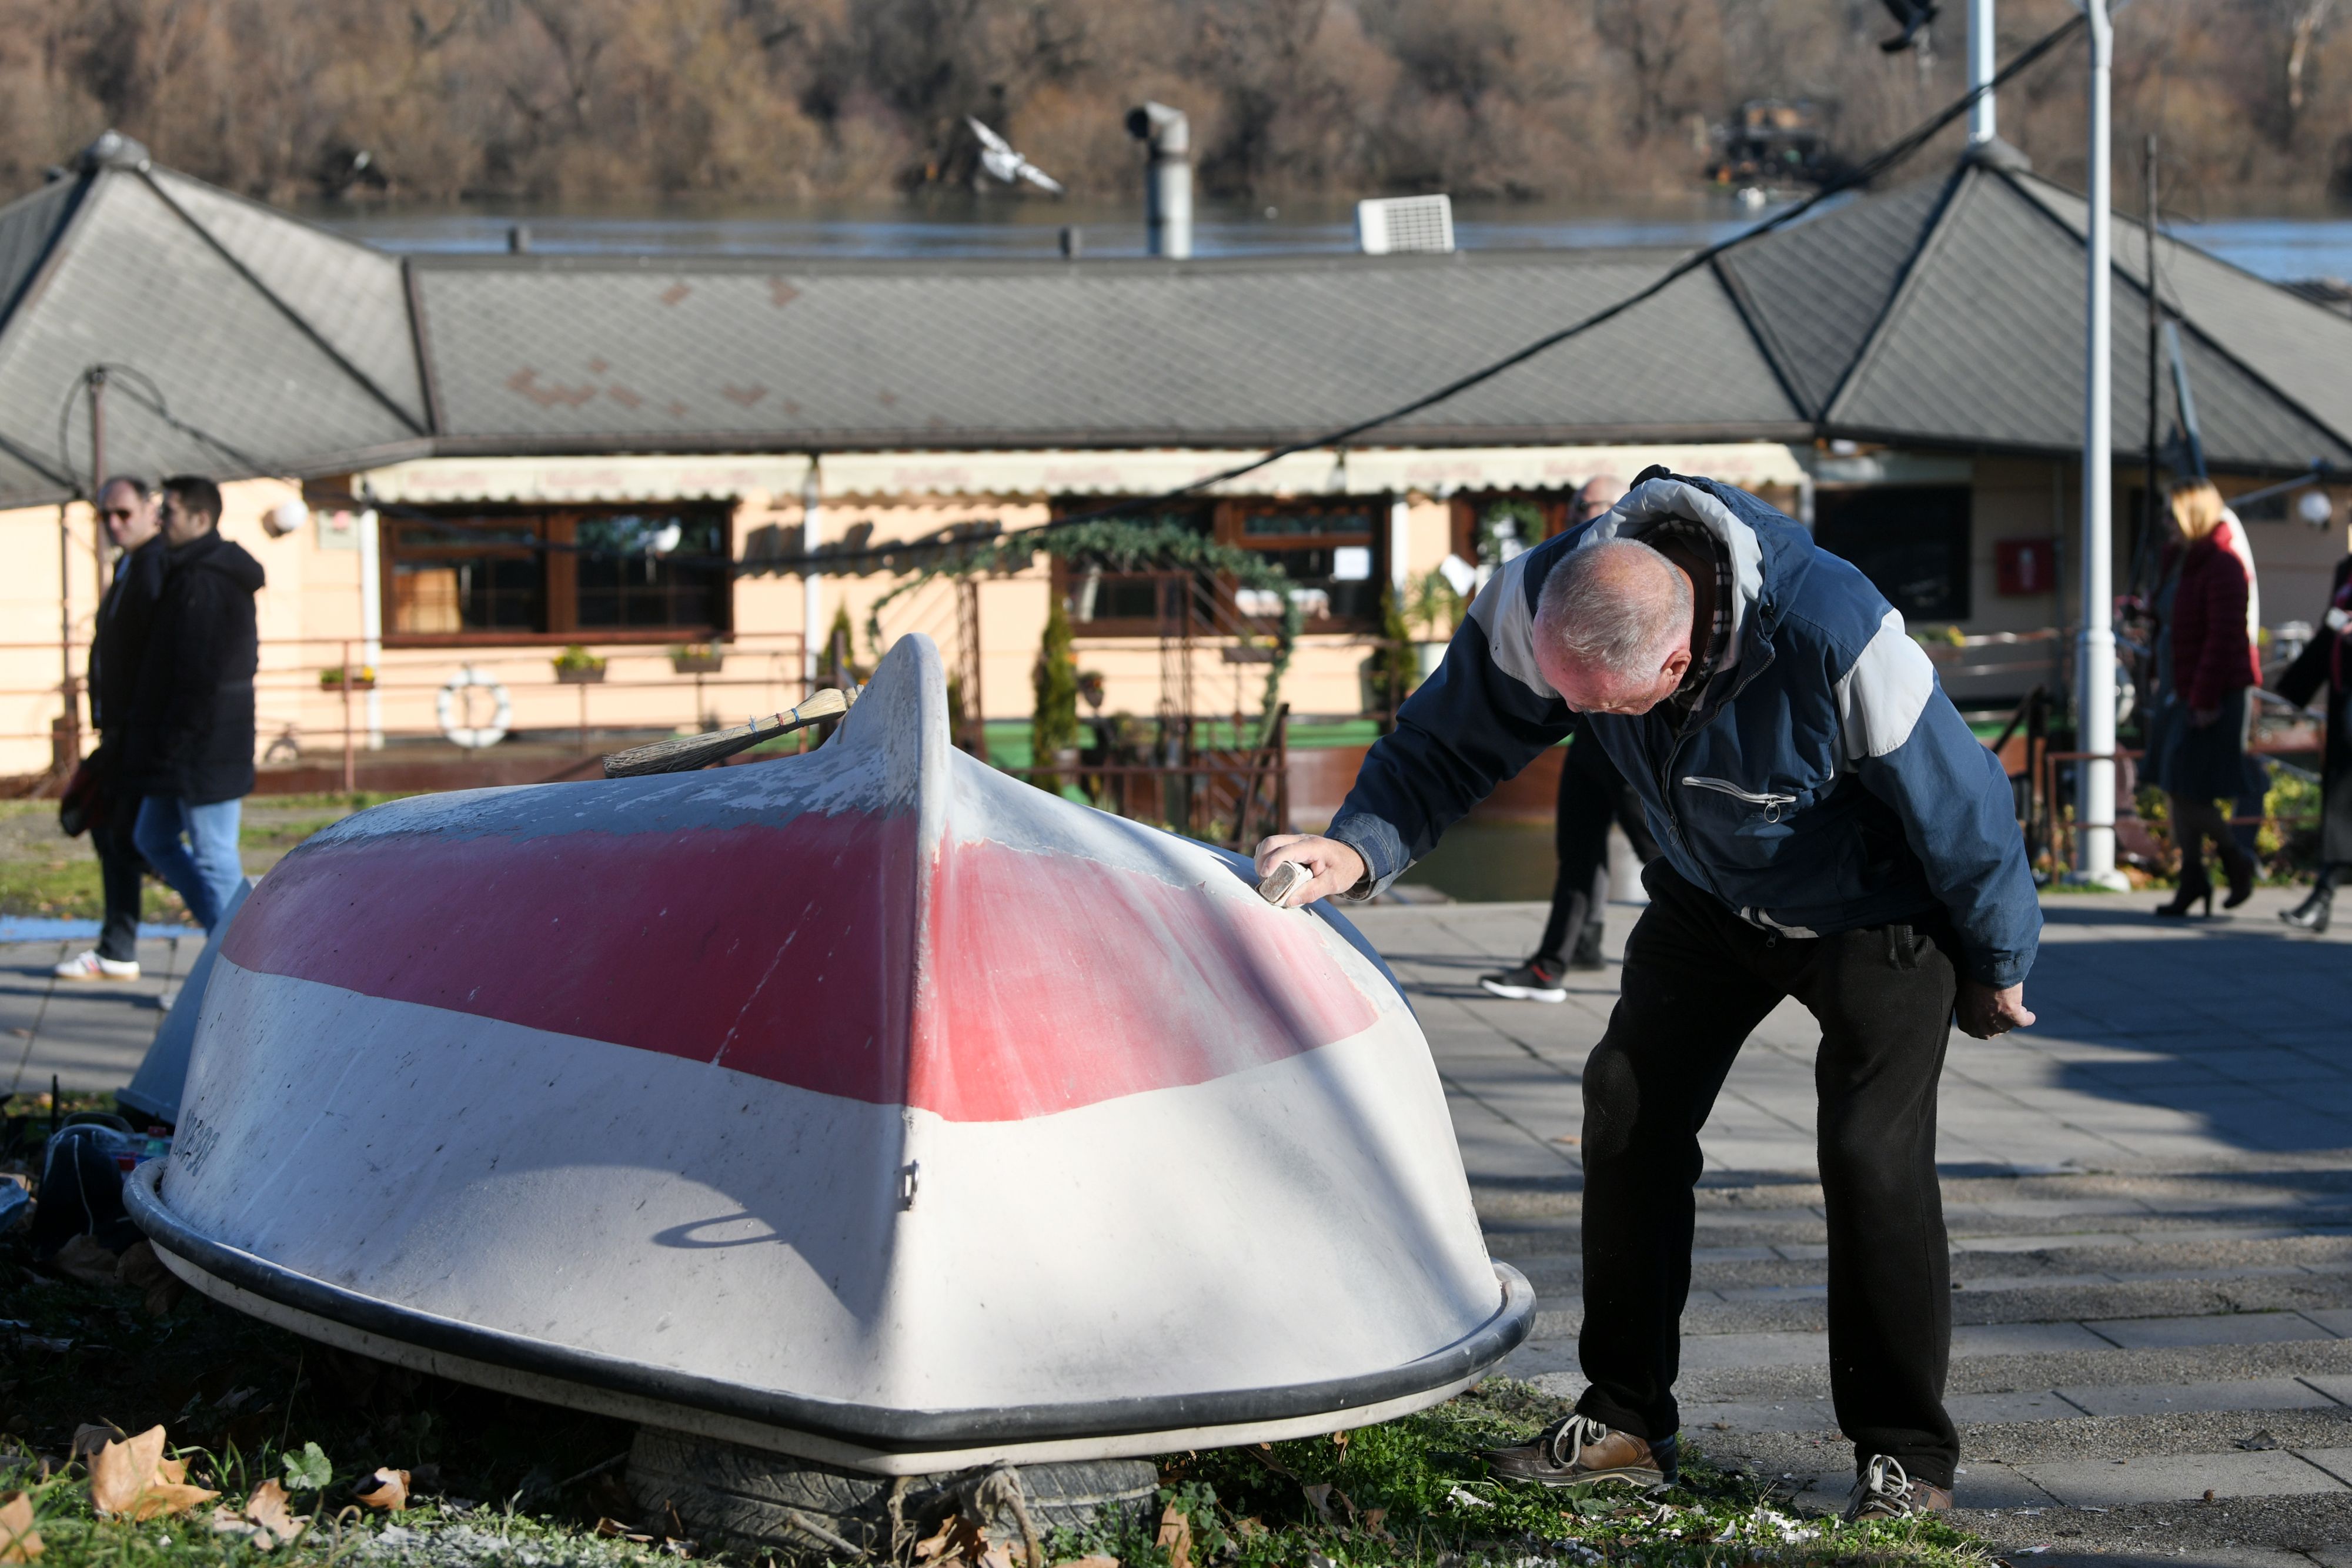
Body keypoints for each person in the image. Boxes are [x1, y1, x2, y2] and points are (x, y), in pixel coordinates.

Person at [1255, 469, 2039, 1522]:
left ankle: (1905, 1456)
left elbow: (1966, 801)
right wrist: (1356, 847)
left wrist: (1996, 959)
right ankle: (1626, 1419)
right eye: (1562, 697)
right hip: (1712, 898)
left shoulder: (1834, 628)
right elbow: (1448, 740)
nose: (1570, 722)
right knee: (1626, 1102)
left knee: (1869, 1152)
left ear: (1677, 660)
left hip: (1875, 909)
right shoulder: (1544, 595)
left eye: (1595, 708)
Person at [1484, 475, 1662, 1000]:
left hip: (1628, 734)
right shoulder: (1574, 568)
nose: (1576, 517)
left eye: (1589, 507)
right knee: (1578, 849)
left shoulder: (1629, 571)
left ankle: (1720, 953)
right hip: (1589, 733)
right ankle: (1560, 958)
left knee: (1661, 856)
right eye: (1575, 508)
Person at [119, 476, 263, 935]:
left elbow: (201, 676)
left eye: (171, 512)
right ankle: (218, 946)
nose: (161, 520)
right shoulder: (186, 570)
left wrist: (173, 739)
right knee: (153, 838)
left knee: (214, 855)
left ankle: (242, 972)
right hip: (181, 746)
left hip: (205, 745)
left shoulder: (208, 579)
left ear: (202, 519)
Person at [54, 477, 170, 981]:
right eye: (106, 517)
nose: (115, 524)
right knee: (111, 830)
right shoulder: (129, 564)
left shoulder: (156, 564)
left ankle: (222, 947)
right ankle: (117, 946)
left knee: (158, 843)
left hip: (146, 734)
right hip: (121, 732)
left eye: (124, 513)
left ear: (151, 509)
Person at [2152, 483, 2261, 918]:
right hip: (2182, 688)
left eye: (2171, 515)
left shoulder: (2223, 564)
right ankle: (2194, 876)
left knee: (2187, 785)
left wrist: (2204, 698)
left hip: (2215, 691)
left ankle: (2235, 860)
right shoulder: (2183, 560)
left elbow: (2224, 637)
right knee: (2179, 785)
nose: (2165, 524)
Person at [2274, 549, 2352, 932]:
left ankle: (2323, 893)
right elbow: (2329, 631)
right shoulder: (2346, 569)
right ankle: (2323, 894)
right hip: (2345, 704)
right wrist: (2294, 690)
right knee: (2339, 799)